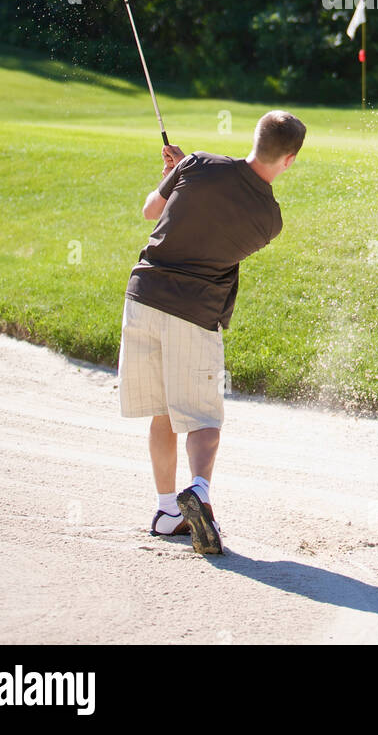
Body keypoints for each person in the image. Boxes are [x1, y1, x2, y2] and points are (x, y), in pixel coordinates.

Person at [117, 109, 306, 554]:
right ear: (289, 160)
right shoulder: (270, 221)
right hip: (194, 312)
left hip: (143, 296)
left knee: (163, 412)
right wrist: (184, 175)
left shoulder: (198, 164)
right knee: (203, 418)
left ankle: (167, 511)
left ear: (254, 137)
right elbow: (217, 222)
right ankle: (199, 491)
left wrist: (178, 174)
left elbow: (151, 211)